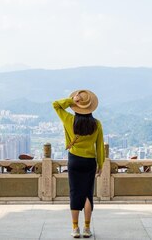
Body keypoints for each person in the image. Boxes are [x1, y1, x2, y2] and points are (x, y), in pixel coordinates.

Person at [53, 89, 104, 239]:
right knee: (88, 194)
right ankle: (87, 228)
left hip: (74, 160)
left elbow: (56, 105)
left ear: (77, 106)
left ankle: (75, 228)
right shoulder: (97, 124)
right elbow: (99, 146)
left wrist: (71, 101)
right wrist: (101, 164)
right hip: (90, 162)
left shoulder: (69, 120)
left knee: (75, 192)